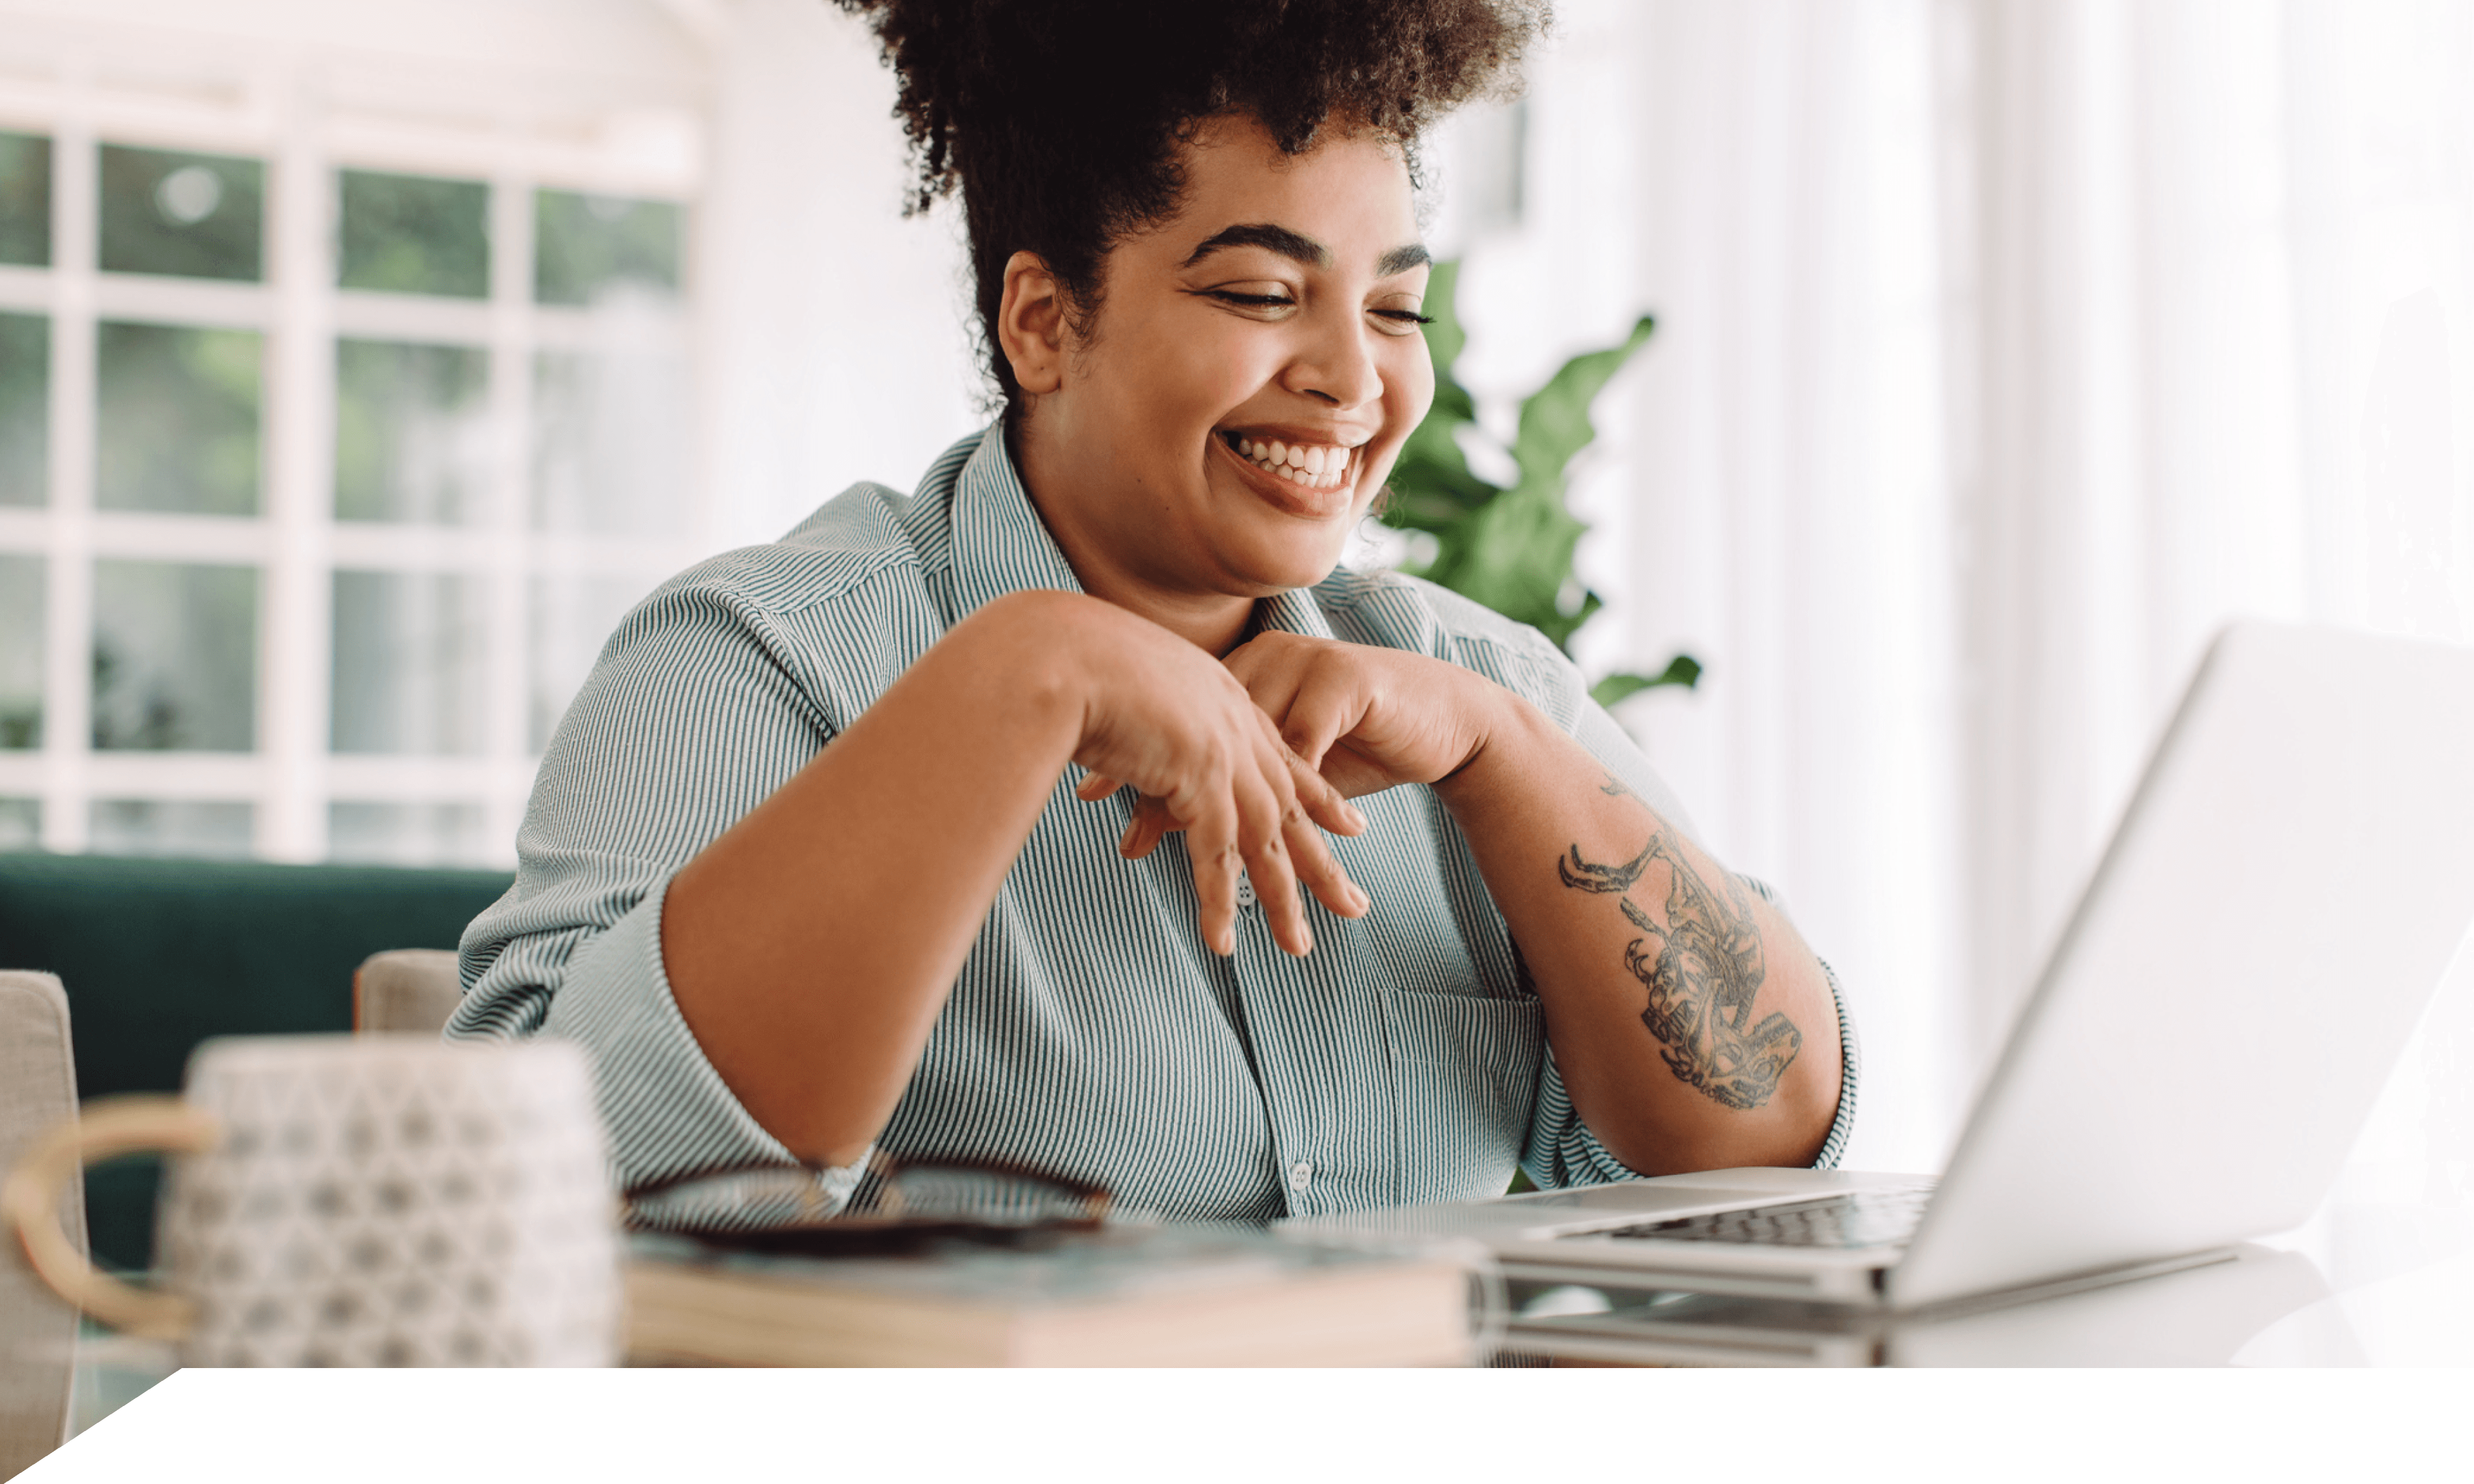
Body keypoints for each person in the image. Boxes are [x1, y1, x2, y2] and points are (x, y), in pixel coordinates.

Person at [451, 0, 1854, 1224]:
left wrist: (1509, 761)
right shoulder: (757, 664)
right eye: (1260, 291)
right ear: (1044, 323)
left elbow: (1768, 1156)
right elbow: (541, 1198)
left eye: (1396, 311)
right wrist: (1020, 676)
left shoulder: (1470, 686)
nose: (1352, 379)